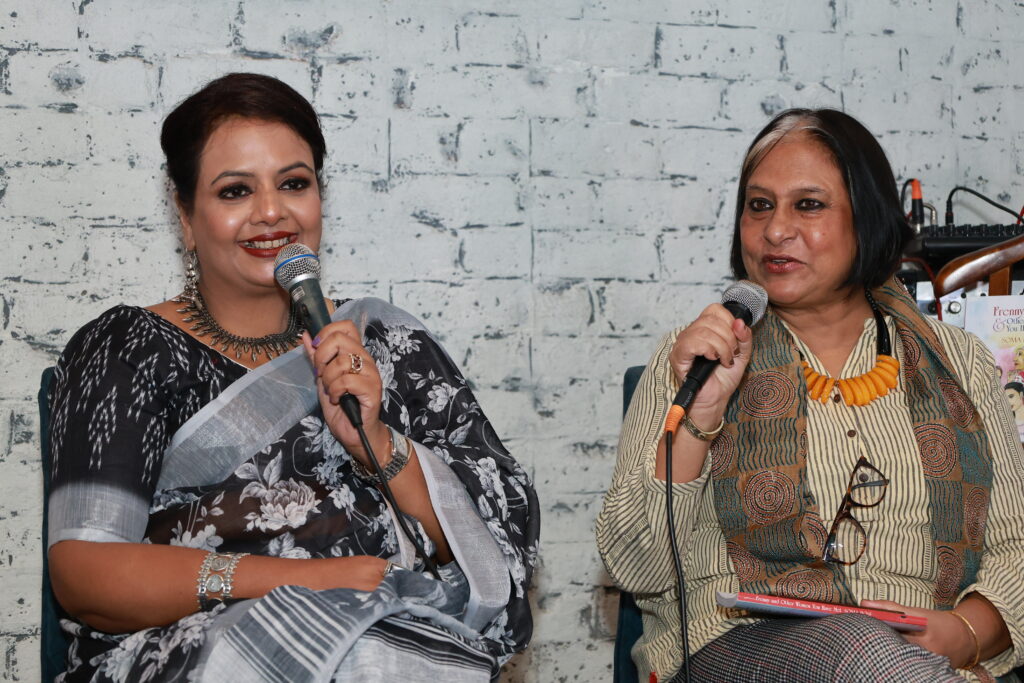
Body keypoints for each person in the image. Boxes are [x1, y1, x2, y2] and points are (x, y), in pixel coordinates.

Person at [46, 72, 538, 682]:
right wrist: (303, 582)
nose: (272, 213)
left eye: (294, 184)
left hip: (395, 631)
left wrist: (377, 445)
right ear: (185, 211)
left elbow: (502, 542)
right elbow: (85, 573)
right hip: (200, 645)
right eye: (235, 192)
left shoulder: (389, 346)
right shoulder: (130, 350)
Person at [597, 108, 1024, 682]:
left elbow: (1014, 546)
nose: (776, 230)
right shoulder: (694, 360)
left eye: (809, 204)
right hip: (738, 651)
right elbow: (637, 564)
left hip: (933, 661)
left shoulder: (960, 363)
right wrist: (699, 417)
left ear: (866, 219)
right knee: (862, 649)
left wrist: (965, 631)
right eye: (759, 205)